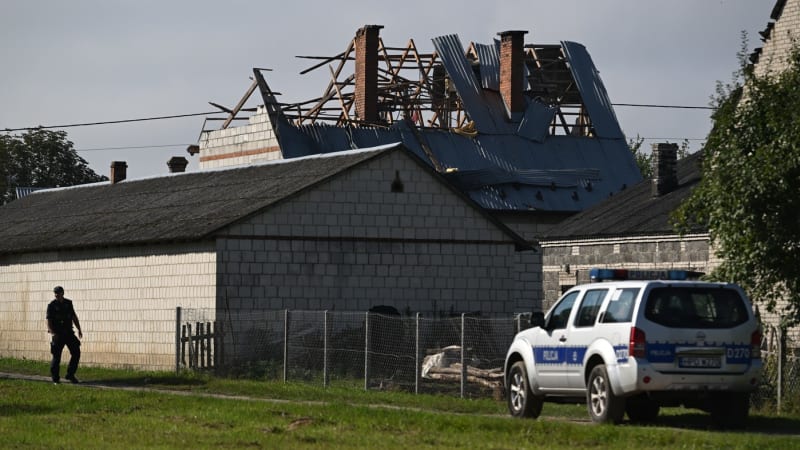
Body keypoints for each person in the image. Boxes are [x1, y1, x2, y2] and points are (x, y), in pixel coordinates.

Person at [46, 286, 83, 384]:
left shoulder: (68, 303)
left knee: (76, 352)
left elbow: (74, 317)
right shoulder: (52, 306)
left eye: (58, 293)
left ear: (62, 293)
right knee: (56, 357)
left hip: (69, 333)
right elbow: (49, 321)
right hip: (58, 334)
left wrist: (79, 329)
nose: (56, 295)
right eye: (55, 293)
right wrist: (53, 333)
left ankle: (70, 374)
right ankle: (55, 379)